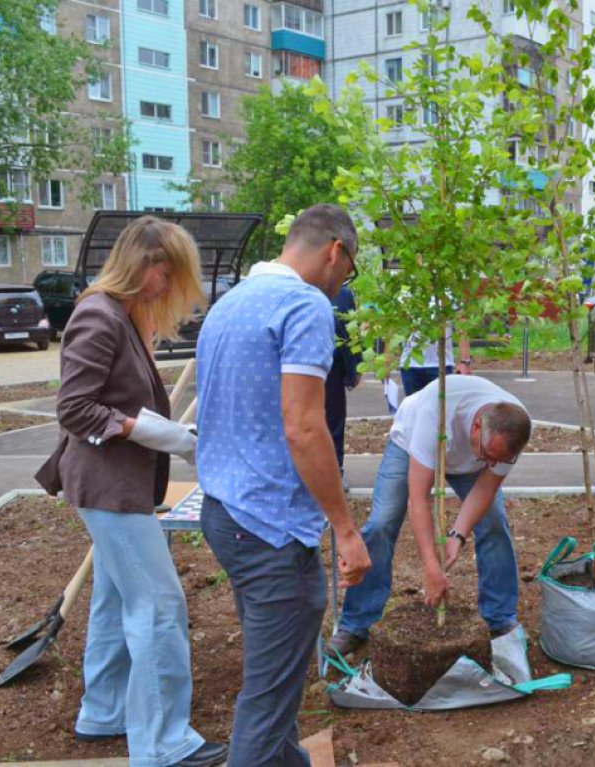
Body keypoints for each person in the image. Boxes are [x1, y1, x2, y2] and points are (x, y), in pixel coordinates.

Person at [38, 216, 226, 767]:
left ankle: (103, 710)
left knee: (116, 597)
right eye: (168, 275)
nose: (168, 289)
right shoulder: (98, 315)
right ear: (146, 265)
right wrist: (162, 435)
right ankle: (165, 743)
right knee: (159, 605)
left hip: (114, 484)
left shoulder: (117, 314)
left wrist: (169, 436)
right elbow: (74, 409)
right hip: (108, 486)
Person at [195, 203, 371, 767]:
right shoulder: (304, 305)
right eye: (351, 270)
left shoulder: (230, 303)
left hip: (226, 512)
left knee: (278, 668)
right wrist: (345, 529)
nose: (345, 282)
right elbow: (303, 427)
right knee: (267, 701)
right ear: (335, 251)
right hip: (270, 527)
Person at [326, 374, 532, 658]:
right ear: (475, 426)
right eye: (489, 455)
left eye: (500, 460)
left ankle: (500, 618)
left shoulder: (514, 428)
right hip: (408, 443)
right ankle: (356, 623)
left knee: (494, 522)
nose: (493, 464)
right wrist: (432, 569)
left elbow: (485, 488)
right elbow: (418, 499)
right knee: (382, 522)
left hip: (467, 452)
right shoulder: (435, 413)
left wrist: (457, 535)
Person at [325, 286, 363, 486]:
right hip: (301, 370)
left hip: (333, 370)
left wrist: (356, 367)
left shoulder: (343, 293)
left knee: (334, 423)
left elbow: (351, 331)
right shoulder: (297, 288)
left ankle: (335, 473)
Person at [399, 325, 473, 395]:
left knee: (444, 406)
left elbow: (462, 325)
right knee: (413, 406)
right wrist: (387, 363)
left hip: (442, 364)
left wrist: (465, 362)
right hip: (410, 364)